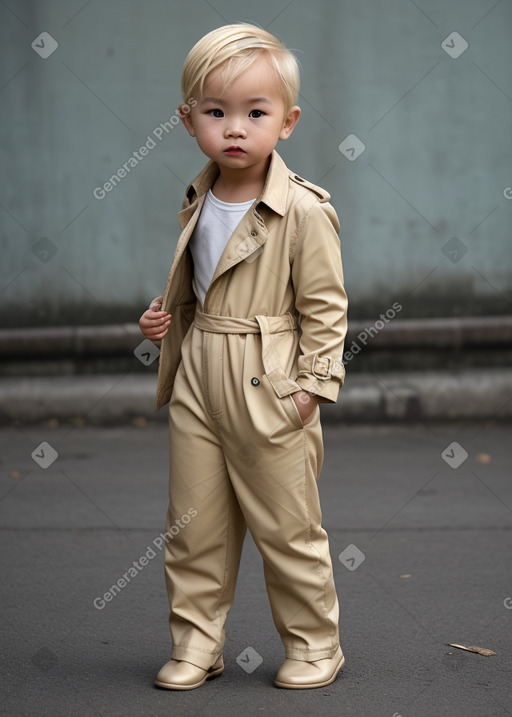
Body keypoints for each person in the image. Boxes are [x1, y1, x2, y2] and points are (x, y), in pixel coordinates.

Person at [139, 22, 348, 691]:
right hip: (200, 369)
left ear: (286, 122)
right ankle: (199, 642)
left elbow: (325, 307)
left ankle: (317, 643)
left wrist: (311, 386)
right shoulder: (199, 198)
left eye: (255, 113)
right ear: (187, 119)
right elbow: (202, 286)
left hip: (269, 376)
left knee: (288, 524)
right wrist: (162, 320)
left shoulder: (304, 210)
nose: (235, 128)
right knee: (194, 524)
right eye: (216, 112)